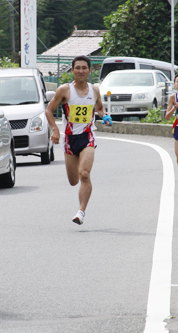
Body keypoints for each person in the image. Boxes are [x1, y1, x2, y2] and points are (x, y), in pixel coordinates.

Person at [45, 55, 112, 225]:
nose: (81, 71)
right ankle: (80, 206)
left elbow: (99, 108)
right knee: (74, 180)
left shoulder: (95, 90)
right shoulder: (64, 90)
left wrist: (104, 117)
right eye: (77, 68)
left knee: (84, 174)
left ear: (90, 70)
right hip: (69, 140)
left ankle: (81, 212)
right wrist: (55, 130)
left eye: (84, 68)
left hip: (88, 137)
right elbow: (49, 111)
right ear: (73, 70)